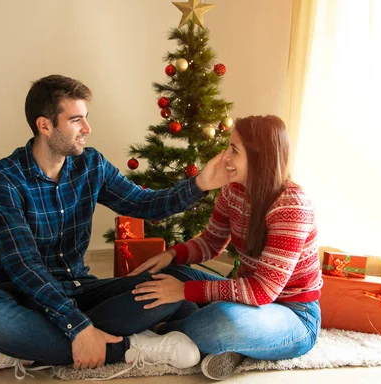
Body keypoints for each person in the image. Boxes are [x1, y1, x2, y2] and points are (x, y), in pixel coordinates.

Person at [0, 74, 229, 379]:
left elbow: (144, 204)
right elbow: (24, 266)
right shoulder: (4, 178)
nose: (87, 129)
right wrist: (78, 327)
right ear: (45, 125)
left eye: (86, 118)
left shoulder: (92, 165)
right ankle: (128, 346)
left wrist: (201, 183)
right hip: (23, 295)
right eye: (76, 120)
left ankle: (15, 348)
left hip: (81, 289)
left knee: (172, 280)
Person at [128, 115, 323, 381]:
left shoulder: (291, 205)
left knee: (221, 321)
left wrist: (183, 292)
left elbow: (263, 291)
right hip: (247, 300)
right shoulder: (233, 192)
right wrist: (171, 254)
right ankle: (234, 348)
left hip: (294, 315)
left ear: (259, 158)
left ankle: (160, 333)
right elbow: (210, 243)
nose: (225, 156)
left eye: (234, 150)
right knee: (173, 275)